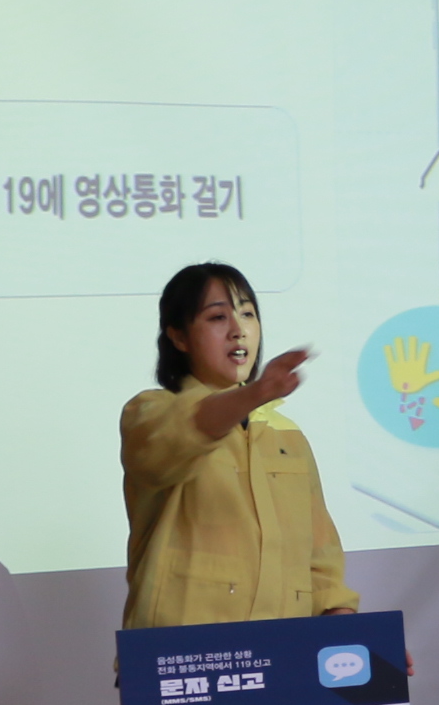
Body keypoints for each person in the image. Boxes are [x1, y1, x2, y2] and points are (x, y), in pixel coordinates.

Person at [120, 263, 358, 628]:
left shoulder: (286, 434)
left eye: (247, 314)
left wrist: (356, 637)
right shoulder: (149, 412)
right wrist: (257, 392)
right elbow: (181, 434)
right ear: (179, 337)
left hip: (283, 647)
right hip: (183, 649)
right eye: (218, 317)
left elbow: (321, 561)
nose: (238, 330)